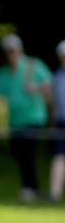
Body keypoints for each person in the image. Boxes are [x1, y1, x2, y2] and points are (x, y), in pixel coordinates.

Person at [0, 34, 52, 204]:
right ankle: (29, 187)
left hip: (34, 118)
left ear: (20, 50)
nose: (10, 55)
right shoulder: (4, 73)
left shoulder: (34, 66)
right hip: (15, 121)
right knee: (18, 152)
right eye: (7, 52)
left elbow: (51, 90)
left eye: (13, 51)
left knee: (28, 152)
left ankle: (31, 189)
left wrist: (35, 88)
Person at [50, 40, 65, 203]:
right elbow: (55, 103)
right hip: (61, 122)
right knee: (60, 158)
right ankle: (55, 193)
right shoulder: (58, 76)